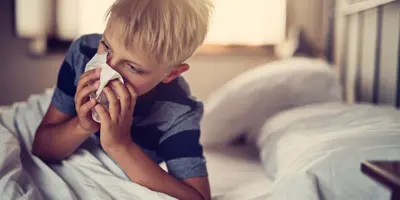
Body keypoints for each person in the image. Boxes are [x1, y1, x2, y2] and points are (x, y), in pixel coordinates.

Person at [32, 0, 213, 199]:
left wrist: (121, 145)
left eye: (133, 67)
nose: (107, 69)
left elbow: (198, 197)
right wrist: (82, 126)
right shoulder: (83, 53)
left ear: (170, 74)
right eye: (106, 47)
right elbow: (41, 148)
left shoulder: (178, 112)